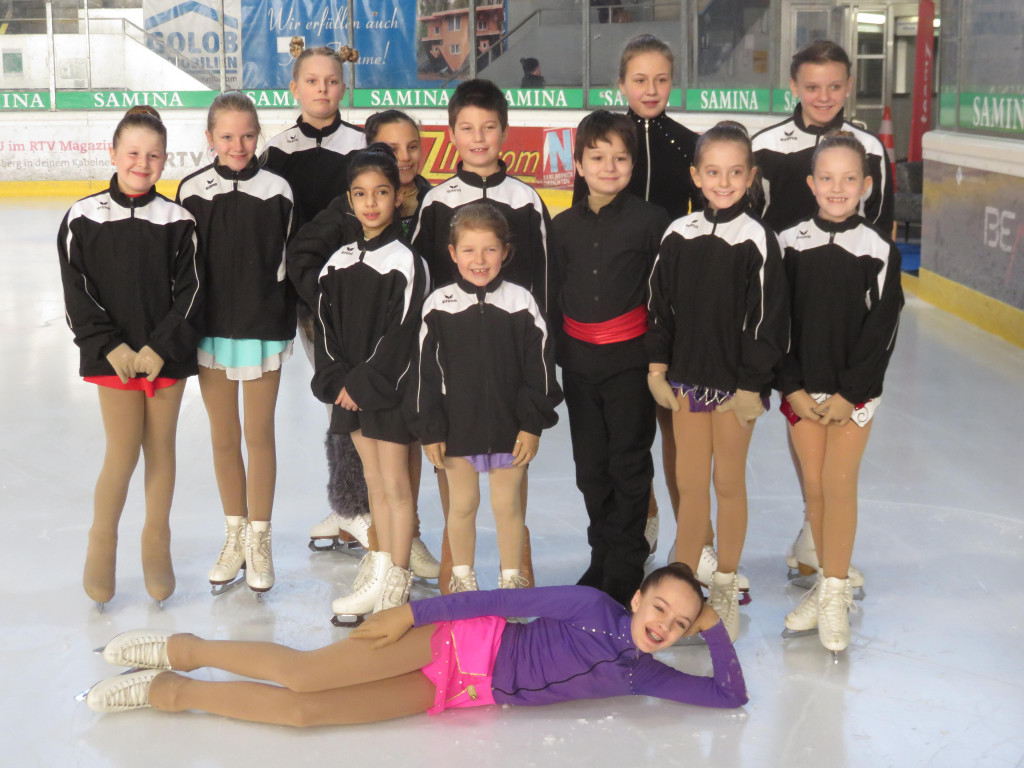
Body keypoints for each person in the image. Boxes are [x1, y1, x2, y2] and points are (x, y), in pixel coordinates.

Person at [82, 563, 747, 723]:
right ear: (637, 597)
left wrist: (715, 627)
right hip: (450, 643)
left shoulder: (642, 676)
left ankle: (171, 693)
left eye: (679, 624)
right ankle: (181, 651)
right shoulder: (589, 606)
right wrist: (412, 612)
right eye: (660, 606)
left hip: (460, 694)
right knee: (308, 675)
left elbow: (729, 696)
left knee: (305, 714)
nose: (664, 624)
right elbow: (496, 602)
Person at [752, 40, 893, 585]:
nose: (823, 96)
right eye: (812, 86)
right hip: (792, 316)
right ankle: (815, 528)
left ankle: (821, 540)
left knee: (836, 451)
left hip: (846, 320)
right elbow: (754, 226)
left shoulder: (869, 148)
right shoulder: (767, 147)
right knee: (805, 430)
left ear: (849, 86)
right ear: (794, 86)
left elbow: (879, 229)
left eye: (835, 86)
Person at [646, 122, 788, 641]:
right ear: (696, 176)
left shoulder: (757, 239)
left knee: (727, 484)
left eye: (734, 172)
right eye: (713, 172)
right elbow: (659, 307)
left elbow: (768, 319)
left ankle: (724, 582)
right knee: (689, 486)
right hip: (686, 385)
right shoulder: (677, 234)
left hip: (734, 392)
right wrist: (657, 368)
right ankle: (682, 585)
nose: (723, 182)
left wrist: (752, 384)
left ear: (750, 177)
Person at [57, 106, 202, 607]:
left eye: (153, 155)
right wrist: (110, 346)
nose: (143, 163)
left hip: (166, 357)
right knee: (121, 453)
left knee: (161, 449)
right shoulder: (83, 217)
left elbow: (192, 293)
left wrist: (161, 347)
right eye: (133, 153)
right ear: (114, 154)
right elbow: (77, 292)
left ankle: (156, 543)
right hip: (112, 356)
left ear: (165, 159)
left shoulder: (179, 221)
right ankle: (102, 543)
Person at [287, 109, 440, 582]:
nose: (404, 156)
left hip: (407, 366)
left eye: (412, 146)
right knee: (377, 474)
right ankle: (383, 553)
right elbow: (309, 268)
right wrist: (333, 302)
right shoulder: (342, 232)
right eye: (392, 148)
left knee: (403, 468)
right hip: (355, 365)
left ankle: (400, 553)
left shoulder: (434, 205)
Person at [412, 79, 552, 592]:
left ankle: (517, 568)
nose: (478, 138)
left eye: (488, 128)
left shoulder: (526, 200)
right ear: (451, 134)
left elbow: (544, 283)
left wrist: (536, 398)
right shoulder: (437, 202)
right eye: (467, 128)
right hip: (458, 379)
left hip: (511, 369)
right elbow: (421, 280)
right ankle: (459, 571)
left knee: (509, 491)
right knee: (462, 495)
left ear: (504, 132)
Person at [572, 34, 702, 559]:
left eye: (661, 79)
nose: (651, 89)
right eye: (640, 79)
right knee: (625, 438)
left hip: (671, 311)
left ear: (673, 83)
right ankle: (640, 525)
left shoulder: (688, 144)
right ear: (621, 83)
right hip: (617, 315)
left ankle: (693, 542)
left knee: (676, 432)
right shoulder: (607, 139)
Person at [776, 131, 903, 655]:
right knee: (814, 484)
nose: (837, 187)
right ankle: (826, 578)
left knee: (838, 482)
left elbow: (882, 330)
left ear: (866, 185)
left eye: (849, 178)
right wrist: (791, 386)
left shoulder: (878, 250)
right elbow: (775, 323)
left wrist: (851, 394)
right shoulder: (787, 244)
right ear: (811, 183)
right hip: (802, 393)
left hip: (854, 396)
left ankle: (833, 591)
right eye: (826, 177)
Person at [176, 92, 295, 596]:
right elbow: (183, 267)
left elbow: (287, 260)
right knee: (224, 436)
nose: (238, 145)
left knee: (259, 433)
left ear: (258, 134)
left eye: (248, 135)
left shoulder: (279, 190)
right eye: (227, 136)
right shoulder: (190, 191)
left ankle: (260, 539)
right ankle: (235, 536)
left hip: (263, 328)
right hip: (211, 331)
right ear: (210, 138)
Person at [551, 110, 668, 607]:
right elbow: (553, 296)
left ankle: (624, 565)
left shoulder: (652, 222)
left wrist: (658, 361)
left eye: (620, 158)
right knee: (590, 468)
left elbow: (663, 299)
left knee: (629, 465)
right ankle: (601, 554)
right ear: (578, 164)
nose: (609, 167)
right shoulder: (561, 227)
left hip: (630, 364)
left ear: (633, 164)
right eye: (597, 158)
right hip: (579, 365)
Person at [262, 43, 373, 560]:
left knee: (365, 395)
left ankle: (365, 507)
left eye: (331, 80)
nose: (322, 89)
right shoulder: (277, 151)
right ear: (295, 88)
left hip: (365, 292)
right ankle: (350, 504)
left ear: (343, 86)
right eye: (312, 81)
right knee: (337, 396)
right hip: (311, 300)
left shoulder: (363, 144)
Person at [311, 145, 429, 618]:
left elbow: (403, 333)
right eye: (360, 194)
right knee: (374, 484)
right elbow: (326, 330)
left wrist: (363, 384)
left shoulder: (407, 261)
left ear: (398, 197)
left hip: (389, 394)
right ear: (349, 200)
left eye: (381, 192)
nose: (371, 202)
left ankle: (396, 583)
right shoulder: (337, 262)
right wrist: (340, 381)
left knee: (396, 486)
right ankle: (380, 569)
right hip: (351, 395)